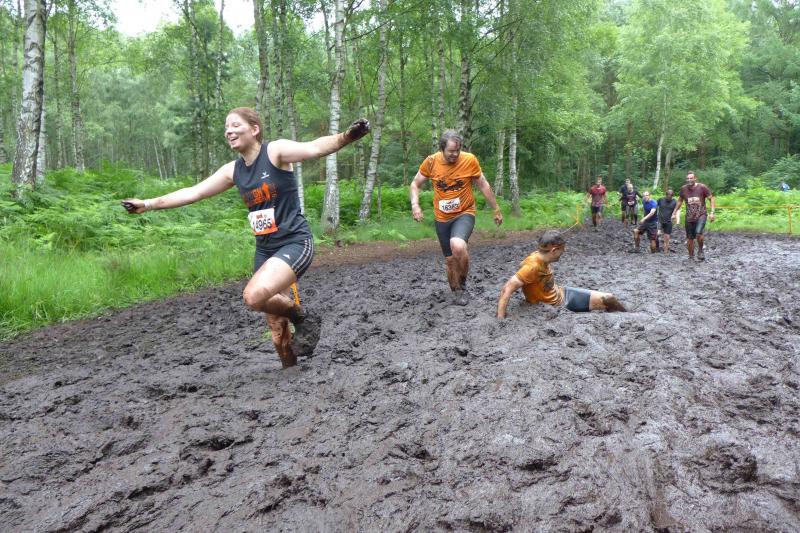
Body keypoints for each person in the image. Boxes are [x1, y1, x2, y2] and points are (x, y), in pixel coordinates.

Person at [121, 107, 370, 368]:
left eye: (235, 125)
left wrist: (346, 136)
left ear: (254, 129)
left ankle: (301, 316)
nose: (229, 131)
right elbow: (193, 193)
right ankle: (290, 374)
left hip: (294, 243)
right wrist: (147, 204)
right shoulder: (233, 171)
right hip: (265, 250)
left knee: (253, 297)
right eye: (226, 128)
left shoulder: (275, 152)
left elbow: (315, 148)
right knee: (276, 329)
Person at [410, 130, 503, 305]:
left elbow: (483, 184)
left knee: (458, 246)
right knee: (450, 260)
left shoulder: (469, 160)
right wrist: (415, 205)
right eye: (451, 151)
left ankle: (463, 281)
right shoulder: (431, 162)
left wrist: (496, 209)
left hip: (464, 213)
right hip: (442, 218)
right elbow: (415, 184)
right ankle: (456, 290)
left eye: (457, 151)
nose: (455, 154)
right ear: (442, 149)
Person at [497, 230, 626, 318]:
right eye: (562, 250)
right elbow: (506, 289)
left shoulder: (538, 256)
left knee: (610, 300)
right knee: (609, 298)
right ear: (554, 250)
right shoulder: (532, 267)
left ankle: (623, 315)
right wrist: (500, 320)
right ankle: (628, 317)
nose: (563, 253)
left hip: (562, 293)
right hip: (561, 303)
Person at [672, 171, 715, 261]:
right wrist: (674, 212)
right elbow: (680, 201)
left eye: (691, 178)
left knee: (698, 232)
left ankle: (700, 251)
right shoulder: (684, 189)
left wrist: (712, 212)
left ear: (695, 178)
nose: (689, 180)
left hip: (701, 214)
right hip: (689, 216)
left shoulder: (702, 187)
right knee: (690, 238)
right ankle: (691, 256)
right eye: (688, 178)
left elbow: (711, 198)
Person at [656, 189, 677, 254]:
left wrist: (675, 217)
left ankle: (666, 250)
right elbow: (655, 206)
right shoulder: (660, 200)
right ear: (666, 195)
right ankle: (657, 247)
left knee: (667, 236)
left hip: (668, 221)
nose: (669, 197)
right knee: (657, 234)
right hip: (660, 220)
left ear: (672, 196)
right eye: (668, 196)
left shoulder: (674, 202)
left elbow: (677, 210)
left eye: (671, 196)